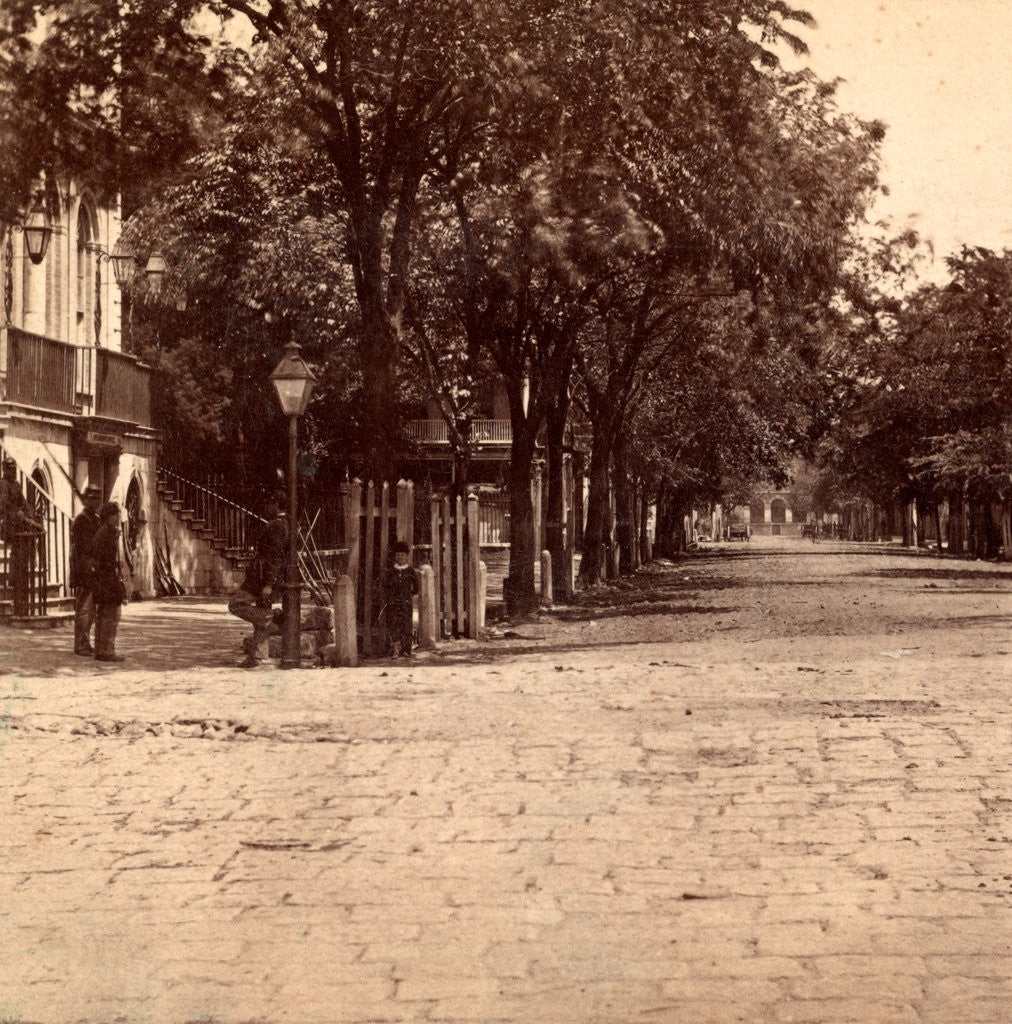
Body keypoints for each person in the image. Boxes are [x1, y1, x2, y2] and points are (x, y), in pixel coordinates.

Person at [229, 490, 289, 668]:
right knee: (261, 610)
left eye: (268, 504)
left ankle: (273, 618)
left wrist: (268, 584)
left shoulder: (276, 525)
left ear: (276, 505)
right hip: (267, 577)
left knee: (236, 604)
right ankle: (257, 657)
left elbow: (275, 557)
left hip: (263, 578)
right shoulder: (285, 523)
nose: (265, 507)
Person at [91, 501, 127, 662]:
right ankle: (107, 650)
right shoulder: (108, 534)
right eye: (115, 515)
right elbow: (108, 560)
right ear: (110, 517)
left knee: (104, 615)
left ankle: (101, 649)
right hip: (107, 578)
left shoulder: (105, 532)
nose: (118, 517)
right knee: (111, 615)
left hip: (103, 578)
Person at [71, 485, 103, 655]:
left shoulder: (95, 519)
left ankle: (85, 641)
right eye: (91, 498)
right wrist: (89, 566)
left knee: (90, 609)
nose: (95, 501)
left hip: (94, 567)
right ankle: (81, 644)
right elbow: (83, 547)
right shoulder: (82, 520)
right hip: (85, 568)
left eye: (97, 498)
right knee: (84, 607)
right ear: (85, 499)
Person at [384, 540, 418, 657]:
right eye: (398, 555)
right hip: (393, 603)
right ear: (395, 556)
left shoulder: (410, 571)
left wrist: (410, 595)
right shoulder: (391, 571)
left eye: (402, 555)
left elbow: (416, 586)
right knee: (394, 624)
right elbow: (385, 586)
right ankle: (396, 649)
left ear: (407, 556)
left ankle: (406, 649)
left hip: (406, 602)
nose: (400, 557)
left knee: (406, 624)